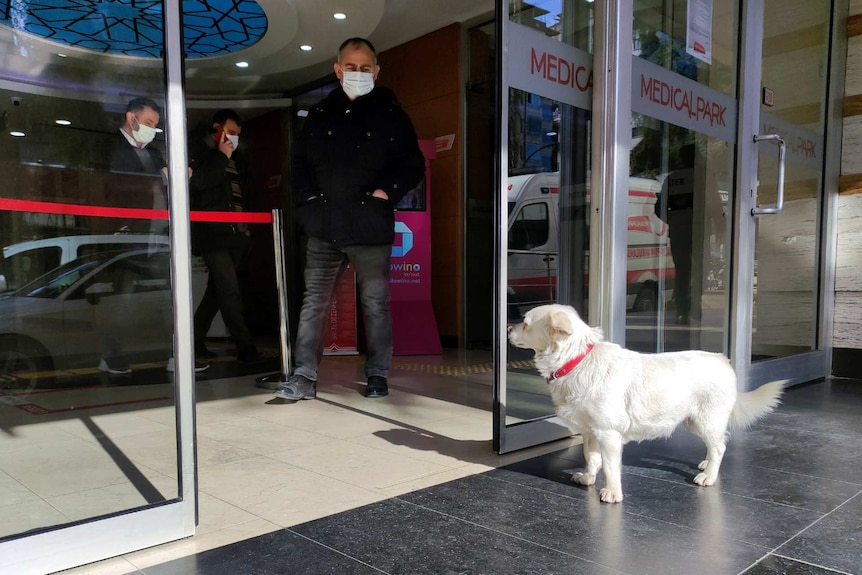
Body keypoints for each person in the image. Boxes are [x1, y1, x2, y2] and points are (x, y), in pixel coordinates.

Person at [273, 37, 425, 400]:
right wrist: (308, 202)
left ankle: (377, 375)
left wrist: (384, 191)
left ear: (376, 70)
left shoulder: (391, 115)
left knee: (375, 305)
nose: (358, 73)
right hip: (324, 226)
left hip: (370, 226)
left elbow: (412, 163)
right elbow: (299, 165)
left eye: (365, 67)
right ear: (337, 69)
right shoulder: (319, 114)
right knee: (314, 303)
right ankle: (304, 377)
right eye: (351, 67)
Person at [108, 97, 209, 374]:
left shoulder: (153, 152)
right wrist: (159, 177)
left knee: (166, 296)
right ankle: (112, 354)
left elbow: (161, 186)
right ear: (132, 118)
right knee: (124, 298)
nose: (153, 129)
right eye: (149, 123)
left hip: (157, 233)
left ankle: (175, 355)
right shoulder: (110, 146)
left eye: (156, 125)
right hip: (127, 235)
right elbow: (116, 185)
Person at [188, 109, 266, 364]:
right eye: (230, 133)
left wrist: (245, 227)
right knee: (229, 290)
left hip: (235, 235)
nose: (234, 139)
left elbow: (239, 194)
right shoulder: (198, 153)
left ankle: (194, 341)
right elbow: (197, 184)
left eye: (237, 135)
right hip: (212, 235)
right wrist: (221, 157)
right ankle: (245, 347)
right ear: (216, 129)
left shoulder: (235, 158)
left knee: (217, 292)